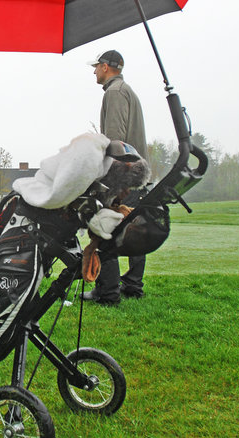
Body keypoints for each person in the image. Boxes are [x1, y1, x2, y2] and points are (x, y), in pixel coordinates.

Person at [84, 50, 149, 305]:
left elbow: (115, 140)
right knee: (133, 229)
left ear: (105, 67)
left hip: (123, 175)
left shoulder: (114, 92)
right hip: (135, 173)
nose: (94, 72)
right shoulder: (126, 90)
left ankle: (107, 291)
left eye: (96, 67)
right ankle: (132, 285)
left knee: (105, 226)